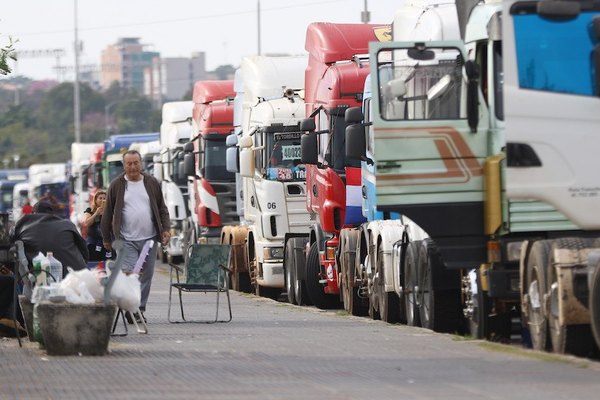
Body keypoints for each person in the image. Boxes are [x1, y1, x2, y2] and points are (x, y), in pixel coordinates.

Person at [101, 150, 170, 323]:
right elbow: (107, 213)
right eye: (129, 164)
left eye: (135, 163)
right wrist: (106, 238)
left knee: (146, 275)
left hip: (150, 238)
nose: (133, 167)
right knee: (131, 274)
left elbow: (162, 208)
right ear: (124, 166)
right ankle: (130, 308)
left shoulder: (151, 182)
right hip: (126, 239)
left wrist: (166, 229)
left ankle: (138, 309)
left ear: (141, 164)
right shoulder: (117, 185)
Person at [11, 201, 89, 279]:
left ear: (33, 213)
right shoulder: (68, 225)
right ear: (53, 213)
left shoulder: (22, 226)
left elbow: (10, 248)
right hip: (77, 277)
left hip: (43, 279)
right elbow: (84, 251)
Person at [83, 190, 113, 263]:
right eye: (100, 198)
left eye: (104, 198)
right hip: (94, 242)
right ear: (95, 200)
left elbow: (114, 225)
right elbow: (87, 223)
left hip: (107, 242)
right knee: (93, 262)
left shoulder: (111, 210)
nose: (103, 200)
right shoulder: (90, 210)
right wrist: (96, 213)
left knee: (108, 262)